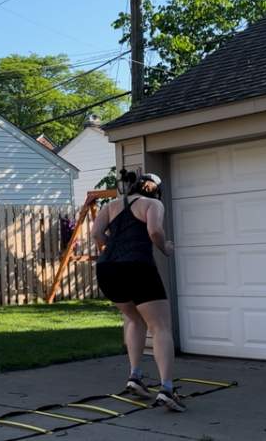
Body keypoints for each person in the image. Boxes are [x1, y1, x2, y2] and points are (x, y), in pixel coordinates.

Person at [90, 170, 184, 412]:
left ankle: (135, 376)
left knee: (133, 319)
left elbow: (96, 234)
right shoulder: (153, 204)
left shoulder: (111, 204)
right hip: (138, 267)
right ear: (155, 189)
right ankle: (166, 389)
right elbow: (154, 232)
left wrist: (110, 249)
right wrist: (166, 248)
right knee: (160, 326)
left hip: (108, 269)